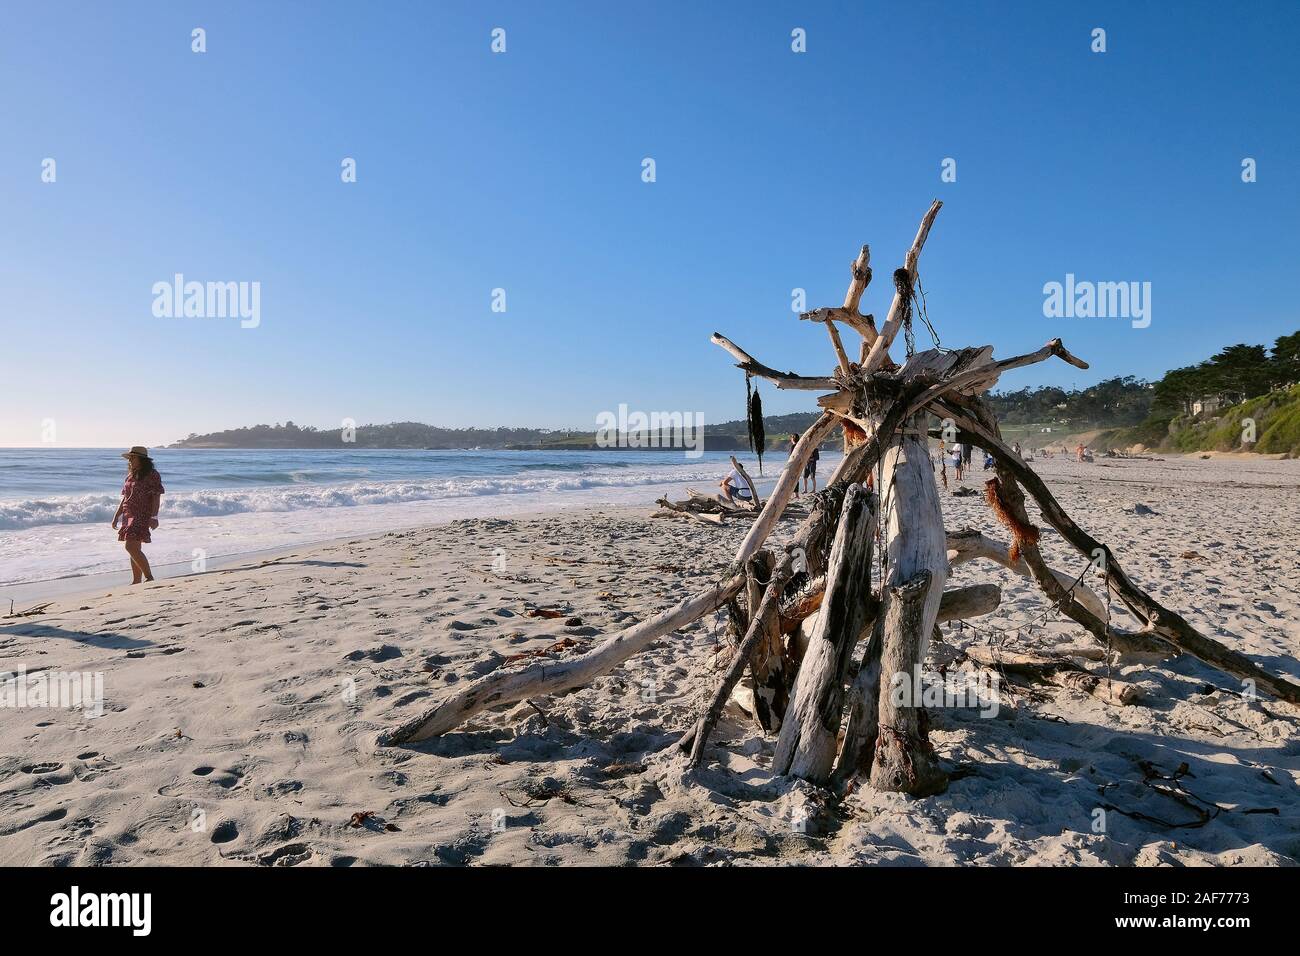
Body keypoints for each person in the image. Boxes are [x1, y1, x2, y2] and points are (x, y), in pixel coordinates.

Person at [111, 446, 165, 584]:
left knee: (130, 546)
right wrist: (117, 515)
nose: (130, 461)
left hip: (141, 514)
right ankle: (136, 580)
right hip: (128, 514)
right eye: (129, 458)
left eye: (132, 457)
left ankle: (149, 577)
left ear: (141, 459)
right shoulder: (130, 476)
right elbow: (125, 498)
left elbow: (156, 497)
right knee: (134, 548)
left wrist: (154, 517)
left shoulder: (152, 474)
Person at [788, 433, 800, 497]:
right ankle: (796, 494)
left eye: (791, 437)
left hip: (792, 464)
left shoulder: (793, 446)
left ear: (793, 438)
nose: (790, 439)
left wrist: (788, 465)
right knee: (796, 479)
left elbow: (791, 457)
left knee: (792, 479)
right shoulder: (799, 446)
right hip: (798, 464)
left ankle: (794, 494)